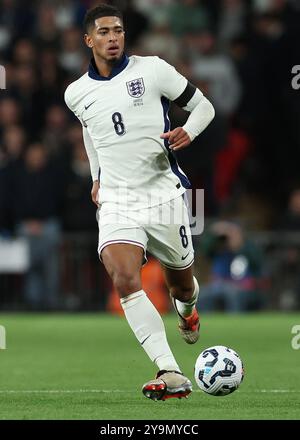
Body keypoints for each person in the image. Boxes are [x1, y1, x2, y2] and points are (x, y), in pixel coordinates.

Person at [64, 3, 215, 401]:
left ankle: (189, 313)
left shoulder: (153, 70)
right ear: (88, 40)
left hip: (164, 195)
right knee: (124, 277)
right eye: (104, 32)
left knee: (182, 286)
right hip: (118, 200)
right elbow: (90, 135)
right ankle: (170, 371)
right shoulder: (76, 93)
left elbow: (205, 106)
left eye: (118, 30)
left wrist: (189, 131)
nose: (112, 38)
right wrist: (98, 177)